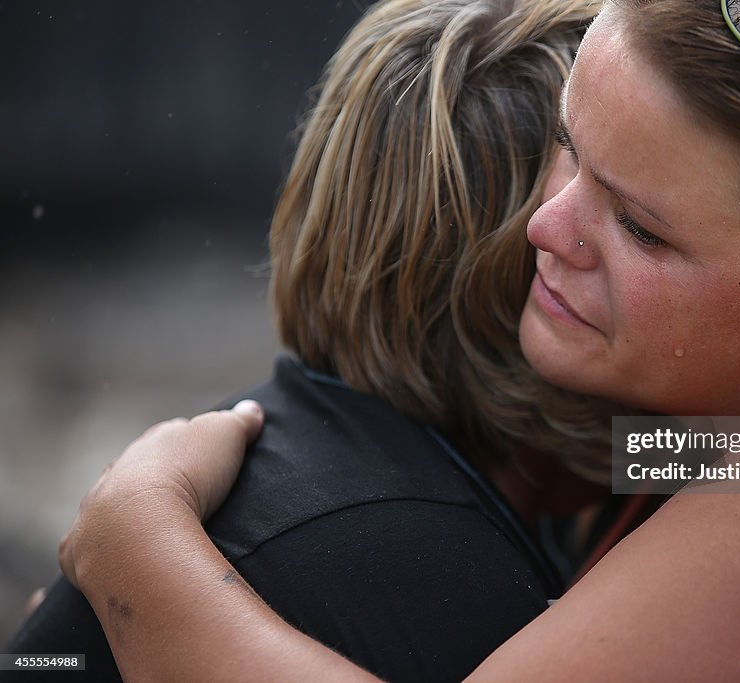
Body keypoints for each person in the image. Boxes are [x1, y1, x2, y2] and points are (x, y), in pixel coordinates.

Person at [33, 0, 740, 679]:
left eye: (639, 225)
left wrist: (135, 541)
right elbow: (646, 462)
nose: (541, 226)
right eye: (567, 144)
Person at [2, 1, 632, 681]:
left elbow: (42, 661)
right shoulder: (443, 575)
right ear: (543, 285)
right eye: (637, 225)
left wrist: (131, 538)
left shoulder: (272, 453)